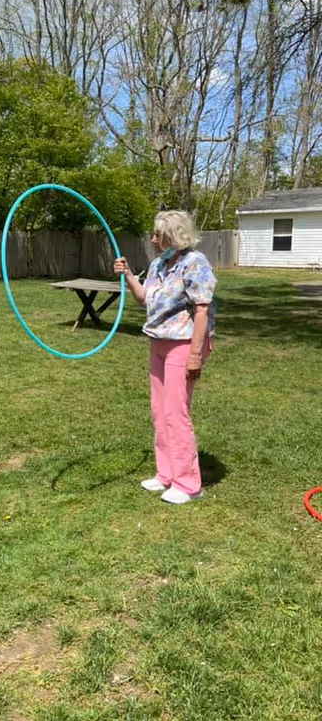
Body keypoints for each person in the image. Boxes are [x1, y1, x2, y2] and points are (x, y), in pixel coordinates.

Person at [114, 210, 216, 505]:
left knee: (175, 411)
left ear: (173, 235)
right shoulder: (160, 264)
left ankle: (188, 484)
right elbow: (144, 298)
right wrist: (129, 275)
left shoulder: (195, 263)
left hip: (184, 344)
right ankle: (166, 474)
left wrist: (195, 355)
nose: (153, 239)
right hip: (159, 342)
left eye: (158, 234)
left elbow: (202, 310)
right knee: (159, 411)